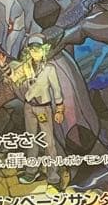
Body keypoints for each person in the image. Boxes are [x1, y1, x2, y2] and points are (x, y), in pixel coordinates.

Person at [9, 35, 66, 185]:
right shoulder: (26, 67)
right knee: (31, 140)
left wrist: (59, 109)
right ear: (29, 51)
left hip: (43, 109)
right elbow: (14, 78)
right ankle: (31, 171)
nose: (35, 53)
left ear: (44, 50)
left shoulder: (49, 69)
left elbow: (57, 90)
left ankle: (53, 174)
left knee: (48, 142)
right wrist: (4, 67)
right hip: (29, 107)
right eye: (32, 49)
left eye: (38, 49)